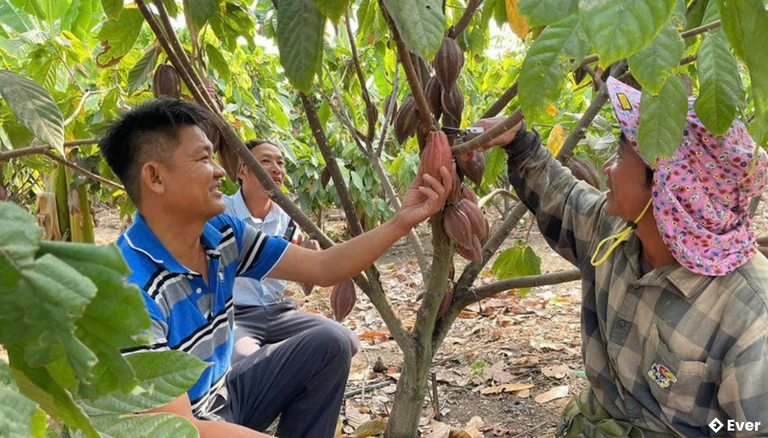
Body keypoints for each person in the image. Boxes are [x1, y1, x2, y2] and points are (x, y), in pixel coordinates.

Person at [98, 98, 451, 438]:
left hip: (223, 398)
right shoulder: (126, 291)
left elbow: (323, 266)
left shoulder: (222, 235)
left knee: (329, 342)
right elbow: (179, 431)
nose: (221, 170)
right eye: (204, 158)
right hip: (186, 427)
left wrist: (402, 222)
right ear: (155, 178)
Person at [475, 77, 768, 437]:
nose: (609, 167)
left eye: (622, 153)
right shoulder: (617, 232)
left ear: (667, 184)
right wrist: (518, 142)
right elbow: (564, 200)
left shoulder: (752, 317)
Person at [223, 139, 359, 364]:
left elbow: (310, 268)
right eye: (265, 161)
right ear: (242, 170)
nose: (276, 169)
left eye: (280, 163)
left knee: (346, 340)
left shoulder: (289, 219)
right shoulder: (224, 212)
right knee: (245, 359)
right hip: (237, 315)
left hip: (279, 312)